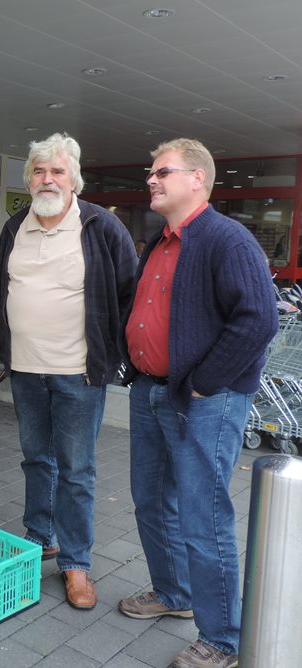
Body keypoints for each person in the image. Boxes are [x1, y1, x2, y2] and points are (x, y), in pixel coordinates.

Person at [117, 139, 278, 668]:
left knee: (202, 518)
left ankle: (223, 639)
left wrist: (204, 382)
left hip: (205, 401)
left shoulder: (226, 239)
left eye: (162, 171)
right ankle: (173, 594)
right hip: (151, 391)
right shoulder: (160, 242)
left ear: (197, 179)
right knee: (149, 500)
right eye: (150, 173)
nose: (151, 181)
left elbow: (258, 319)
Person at [0, 133, 137, 609]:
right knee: (36, 458)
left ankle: (76, 564)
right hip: (25, 369)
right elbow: (5, 290)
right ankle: (41, 536)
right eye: (39, 170)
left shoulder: (100, 226)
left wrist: (112, 355)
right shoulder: (14, 227)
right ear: (29, 178)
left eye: (57, 170)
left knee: (77, 471)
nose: (48, 179)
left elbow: (128, 295)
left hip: (78, 372)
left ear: (74, 177)